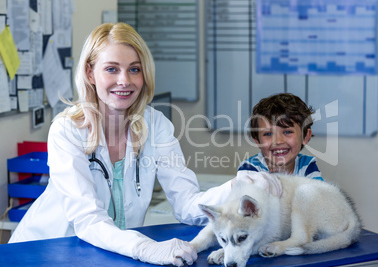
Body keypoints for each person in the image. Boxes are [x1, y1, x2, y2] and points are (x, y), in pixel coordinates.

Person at [8, 23, 236, 266]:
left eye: (134, 69)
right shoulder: (67, 129)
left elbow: (186, 204)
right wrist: (145, 247)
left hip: (109, 254)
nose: (124, 80)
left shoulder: (155, 124)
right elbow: (88, 220)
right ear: (89, 73)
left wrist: (239, 185)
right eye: (111, 69)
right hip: (46, 252)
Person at [238, 93, 323, 181]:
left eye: (287, 132)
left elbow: (319, 193)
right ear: (258, 141)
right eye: (268, 134)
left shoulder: (307, 165)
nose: (278, 141)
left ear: (305, 137)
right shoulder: (249, 169)